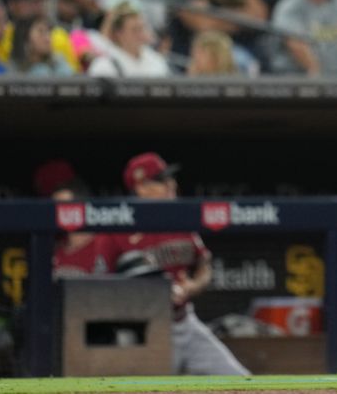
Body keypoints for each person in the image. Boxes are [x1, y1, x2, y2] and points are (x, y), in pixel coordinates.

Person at [103, 152, 250, 375]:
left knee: (241, 381)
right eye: (161, 179)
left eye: (170, 178)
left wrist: (194, 285)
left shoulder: (181, 220)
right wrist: (149, 294)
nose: (171, 184)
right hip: (145, 331)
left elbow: (204, 262)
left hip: (185, 322)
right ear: (141, 187)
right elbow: (99, 289)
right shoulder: (116, 230)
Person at [88, 2, 169, 77]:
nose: (141, 34)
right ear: (119, 33)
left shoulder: (156, 60)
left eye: (142, 28)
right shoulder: (105, 65)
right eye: (135, 30)